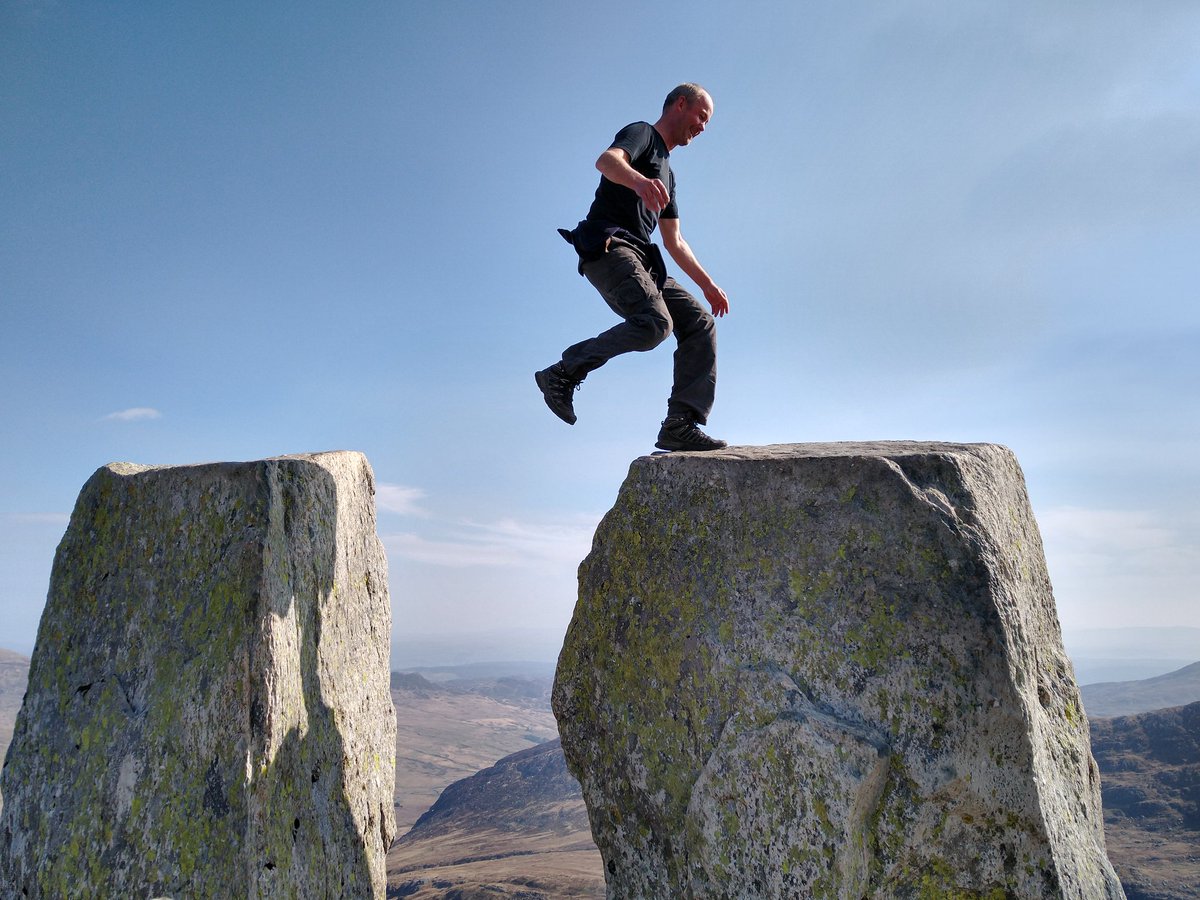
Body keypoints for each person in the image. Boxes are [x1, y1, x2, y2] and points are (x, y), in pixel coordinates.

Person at [535, 83, 731, 452]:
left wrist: (707, 284)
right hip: (609, 247)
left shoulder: (670, 177)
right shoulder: (643, 133)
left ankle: (680, 422)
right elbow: (607, 162)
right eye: (701, 117)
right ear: (680, 104)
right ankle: (563, 372)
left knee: (700, 323)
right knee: (656, 325)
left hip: (644, 260)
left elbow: (674, 240)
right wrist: (639, 181)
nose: (703, 127)